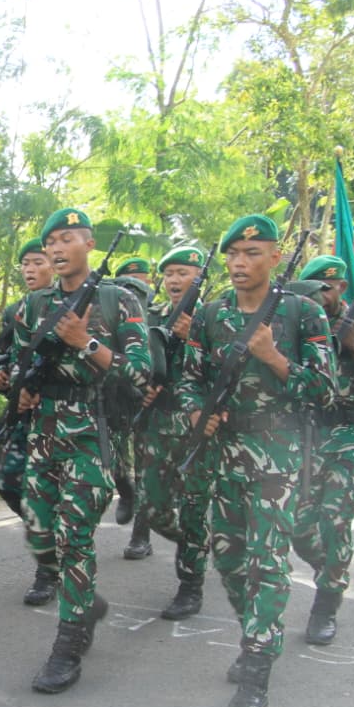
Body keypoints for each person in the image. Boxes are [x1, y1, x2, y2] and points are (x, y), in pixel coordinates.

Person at [178, 215, 336, 707]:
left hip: (277, 450)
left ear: (274, 256)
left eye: (252, 252)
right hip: (222, 450)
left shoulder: (302, 313)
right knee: (227, 555)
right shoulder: (210, 314)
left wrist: (274, 358)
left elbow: (325, 390)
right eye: (233, 254)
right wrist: (196, 411)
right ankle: (255, 632)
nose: (240, 263)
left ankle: (256, 671)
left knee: (268, 560)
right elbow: (188, 380)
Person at [12, 207, 150, 694]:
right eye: (51, 240)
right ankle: (85, 601)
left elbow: (141, 377)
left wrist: (85, 342)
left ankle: (68, 643)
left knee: (74, 539)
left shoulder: (119, 301)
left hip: (93, 433)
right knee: (39, 532)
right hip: (43, 433)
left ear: (89, 244)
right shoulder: (34, 305)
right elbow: (18, 360)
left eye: (67, 238)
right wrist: (22, 387)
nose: (56, 247)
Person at [289, 257, 354, 645]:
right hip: (307, 436)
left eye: (329, 288)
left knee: (335, 520)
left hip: (351, 433)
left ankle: (326, 603)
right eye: (316, 288)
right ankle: (331, 570)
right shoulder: (297, 326)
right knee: (300, 528)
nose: (323, 296)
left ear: (342, 289)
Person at [130, 246, 217, 619]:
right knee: (151, 505)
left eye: (184, 273)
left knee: (196, 506)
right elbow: (135, 363)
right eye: (169, 274)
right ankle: (197, 544)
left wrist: (197, 337)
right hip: (157, 426)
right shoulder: (150, 316)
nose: (175, 281)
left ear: (201, 278)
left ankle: (190, 585)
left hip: (199, 429)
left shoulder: (219, 317)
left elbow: (234, 370)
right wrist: (139, 390)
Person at [0, 239, 55, 605]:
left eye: (37, 262)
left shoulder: (76, 307)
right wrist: (1, 379)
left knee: (56, 494)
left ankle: (49, 568)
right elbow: (4, 356)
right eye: (25, 264)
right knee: (10, 482)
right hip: (24, 416)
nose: (30, 270)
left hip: (67, 419)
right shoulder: (17, 310)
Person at [110, 259, 154, 540]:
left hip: (150, 403)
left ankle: (141, 536)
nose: (139, 284)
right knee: (113, 460)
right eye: (130, 279)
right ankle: (125, 490)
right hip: (116, 397)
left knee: (146, 468)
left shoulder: (159, 315)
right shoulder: (112, 311)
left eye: (142, 279)